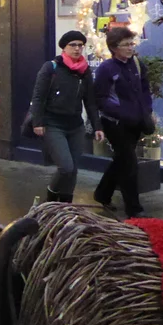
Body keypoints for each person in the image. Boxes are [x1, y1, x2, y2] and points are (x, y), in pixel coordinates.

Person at [28, 31, 104, 203]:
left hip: (75, 125)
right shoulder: (51, 67)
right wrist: (37, 122)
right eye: (73, 45)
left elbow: (90, 101)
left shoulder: (84, 71)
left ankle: (66, 205)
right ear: (64, 47)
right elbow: (38, 97)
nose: (77, 49)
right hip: (53, 124)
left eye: (80, 45)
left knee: (73, 169)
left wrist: (97, 126)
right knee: (66, 167)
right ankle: (51, 196)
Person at [93, 27, 153, 218]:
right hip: (115, 123)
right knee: (129, 164)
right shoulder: (106, 69)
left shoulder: (136, 64)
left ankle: (102, 193)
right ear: (113, 48)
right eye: (125, 44)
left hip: (136, 121)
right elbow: (101, 98)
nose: (130, 47)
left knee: (122, 160)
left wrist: (147, 111)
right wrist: (122, 113)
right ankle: (134, 209)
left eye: (131, 43)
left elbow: (145, 89)